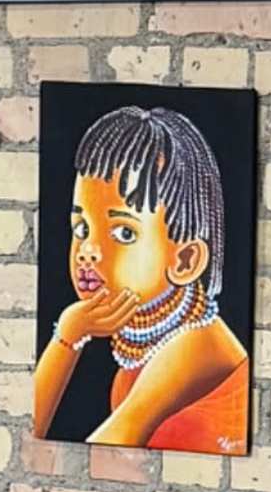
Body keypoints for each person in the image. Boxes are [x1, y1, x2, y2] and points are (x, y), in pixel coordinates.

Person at [33, 100, 251, 452]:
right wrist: (70, 333)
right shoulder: (143, 349)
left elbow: (97, 455)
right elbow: (31, 430)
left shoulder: (194, 349)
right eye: (81, 228)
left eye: (123, 233)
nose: (88, 250)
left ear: (185, 260)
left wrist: (66, 340)